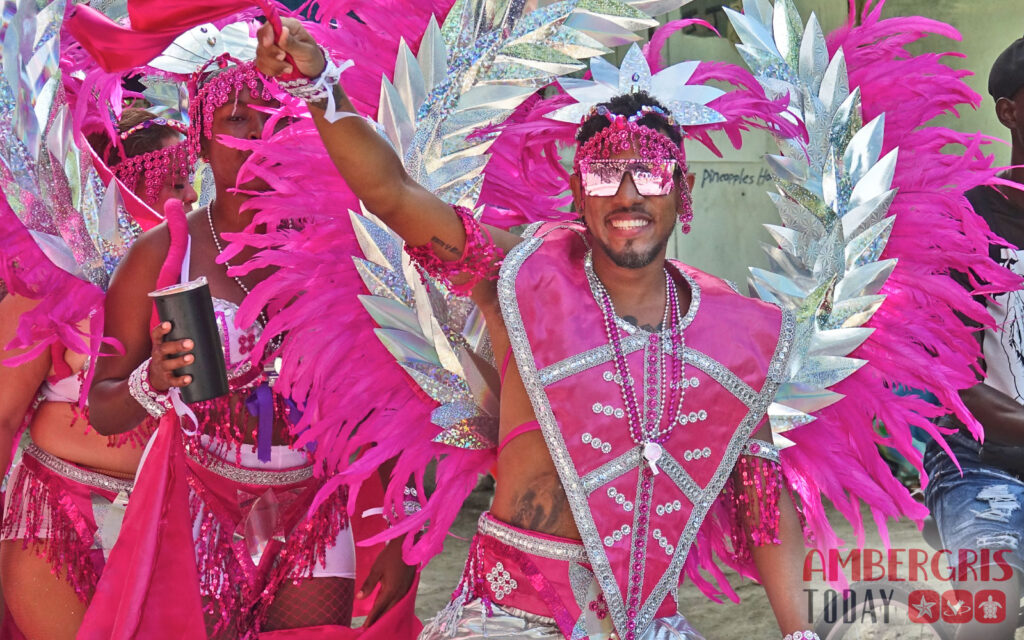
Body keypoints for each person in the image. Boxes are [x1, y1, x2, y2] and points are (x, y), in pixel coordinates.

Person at [256, 20, 814, 640]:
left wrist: (800, 633)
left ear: (682, 190)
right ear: (579, 193)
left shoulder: (737, 336)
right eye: (604, 176)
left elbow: (764, 504)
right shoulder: (520, 277)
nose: (627, 197)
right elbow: (391, 193)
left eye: (651, 176)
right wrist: (321, 87)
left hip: (647, 625)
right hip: (508, 620)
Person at [82, 58, 417, 639]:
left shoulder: (334, 253)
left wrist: (399, 523)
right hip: (198, 508)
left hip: (313, 506)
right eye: (238, 121)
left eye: (273, 120)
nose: (257, 136)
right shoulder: (162, 254)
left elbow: (376, 401)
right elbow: (102, 406)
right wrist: (153, 380)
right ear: (203, 143)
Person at [0, 109, 194, 640]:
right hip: (59, 520)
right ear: (122, 185)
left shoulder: (211, 273)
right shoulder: (50, 277)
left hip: (174, 524)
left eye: (194, 184)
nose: (192, 200)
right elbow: (3, 414)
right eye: (177, 183)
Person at [923, 35, 1024, 640]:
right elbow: (953, 386)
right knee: (995, 604)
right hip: (983, 463)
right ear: (1008, 110)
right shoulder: (965, 223)